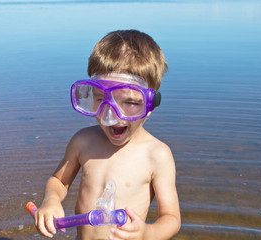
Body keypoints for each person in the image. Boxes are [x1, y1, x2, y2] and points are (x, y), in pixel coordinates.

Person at [33, 29, 181, 240]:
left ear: (150, 105)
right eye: (100, 97)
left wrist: (147, 232)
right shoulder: (83, 141)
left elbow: (171, 218)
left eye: (130, 102)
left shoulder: (157, 155)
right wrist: (51, 201)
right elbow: (59, 181)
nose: (110, 114)